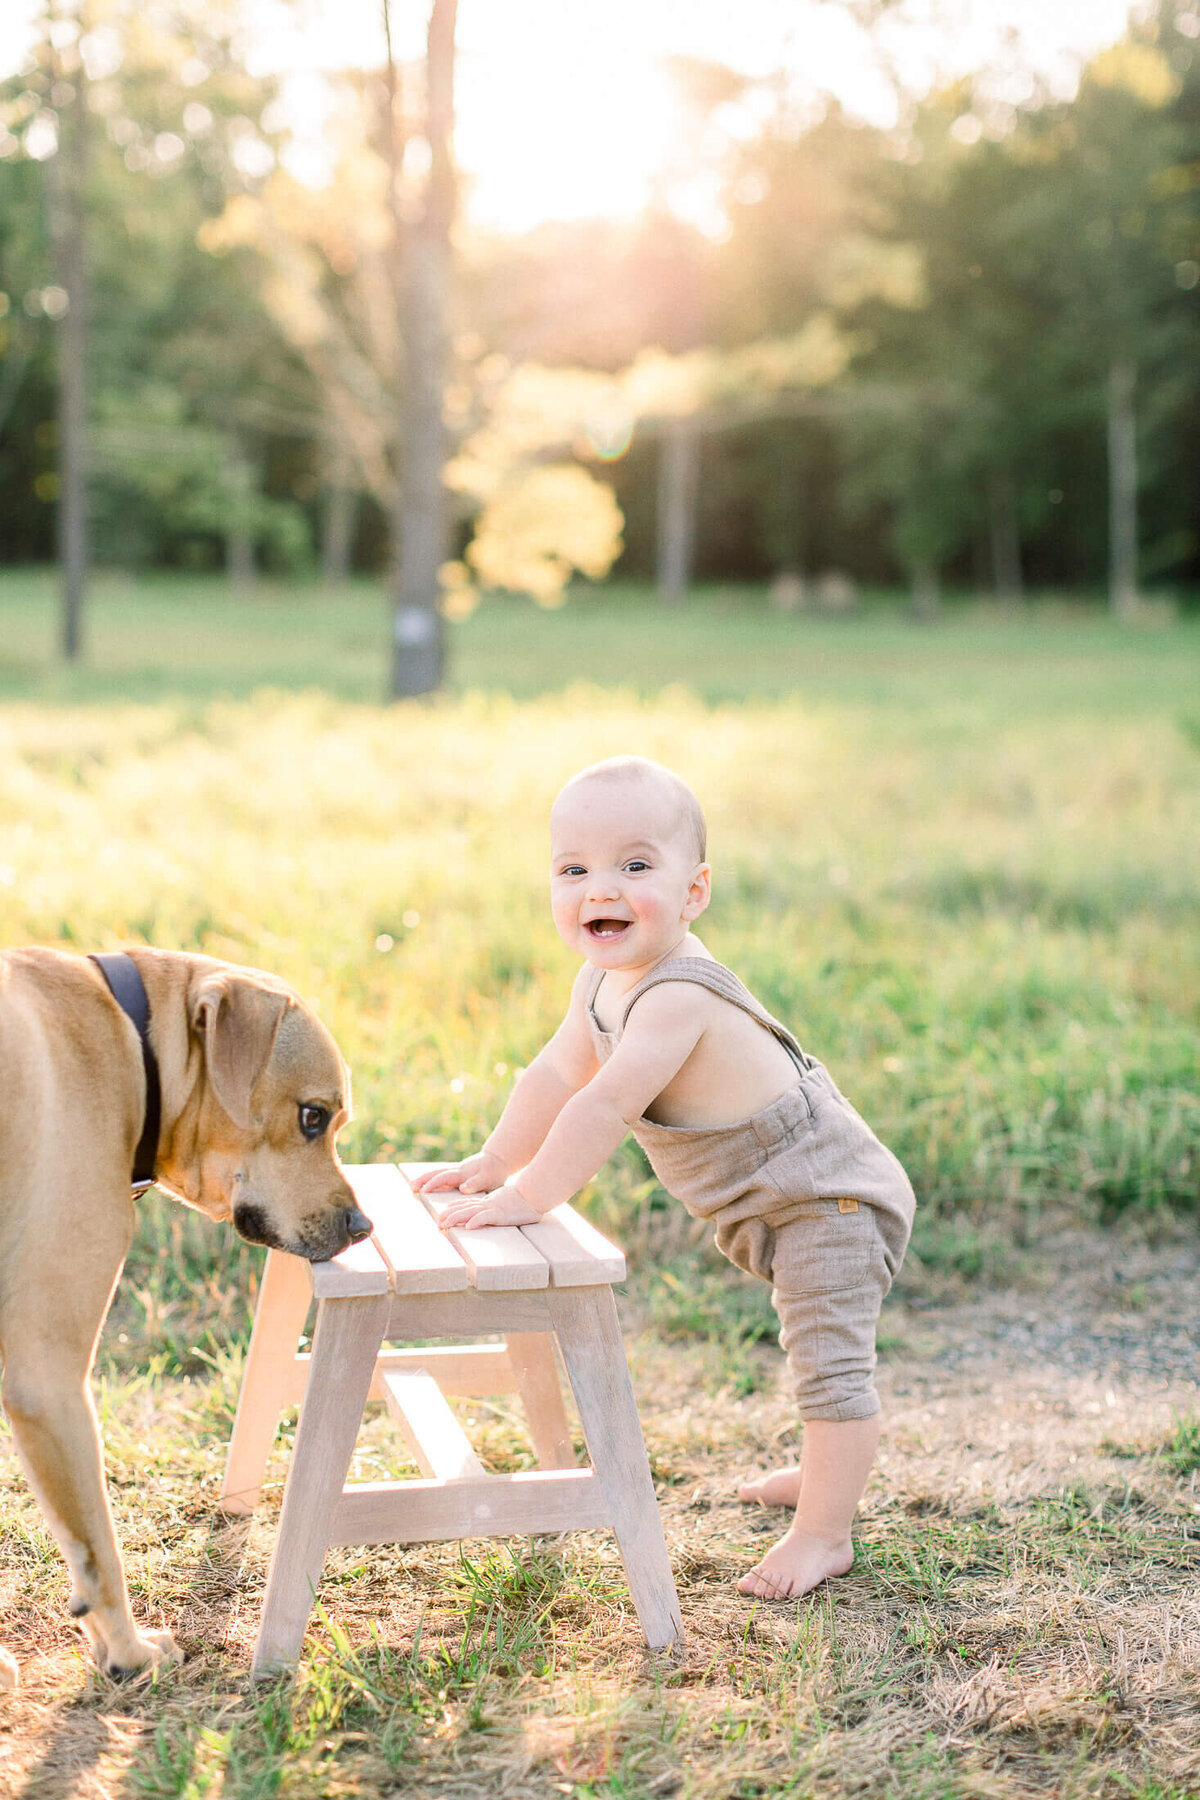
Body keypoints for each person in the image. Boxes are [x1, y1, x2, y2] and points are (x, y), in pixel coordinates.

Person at [414, 755, 915, 1601]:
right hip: (771, 1200)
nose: (599, 888)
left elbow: (604, 1105)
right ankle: (825, 1474)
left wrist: (529, 1196)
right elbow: (551, 1077)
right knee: (807, 1350)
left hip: (830, 1199)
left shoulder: (676, 994)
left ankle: (825, 1531)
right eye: (574, 869)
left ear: (694, 892)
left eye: (635, 866)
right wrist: (495, 1161)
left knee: (828, 1364)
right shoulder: (602, 982)